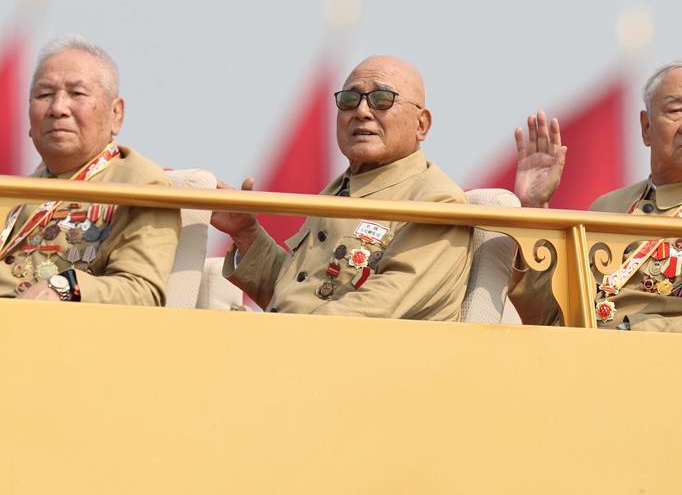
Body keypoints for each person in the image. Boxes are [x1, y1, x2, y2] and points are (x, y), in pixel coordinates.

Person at [212, 55, 555, 320]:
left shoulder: (434, 200)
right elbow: (295, 296)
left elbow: (378, 308)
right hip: (309, 353)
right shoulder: (340, 190)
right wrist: (246, 234)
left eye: (381, 99)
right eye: (350, 100)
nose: (361, 111)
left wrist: (273, 337)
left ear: (422, 125)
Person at [509, 61, 682, 336]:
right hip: (575, 353)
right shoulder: (607, 207)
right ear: (646, 127)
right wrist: (534, 208)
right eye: (675, 110)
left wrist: (627, 333)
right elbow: (546, 316)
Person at [0, 36, 180, 305]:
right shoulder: (20, 192)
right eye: (44, 95)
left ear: (116, 114)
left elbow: (142, 292)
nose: (57, 108)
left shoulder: (140, 184)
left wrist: (65, 287)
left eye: (77, 94)